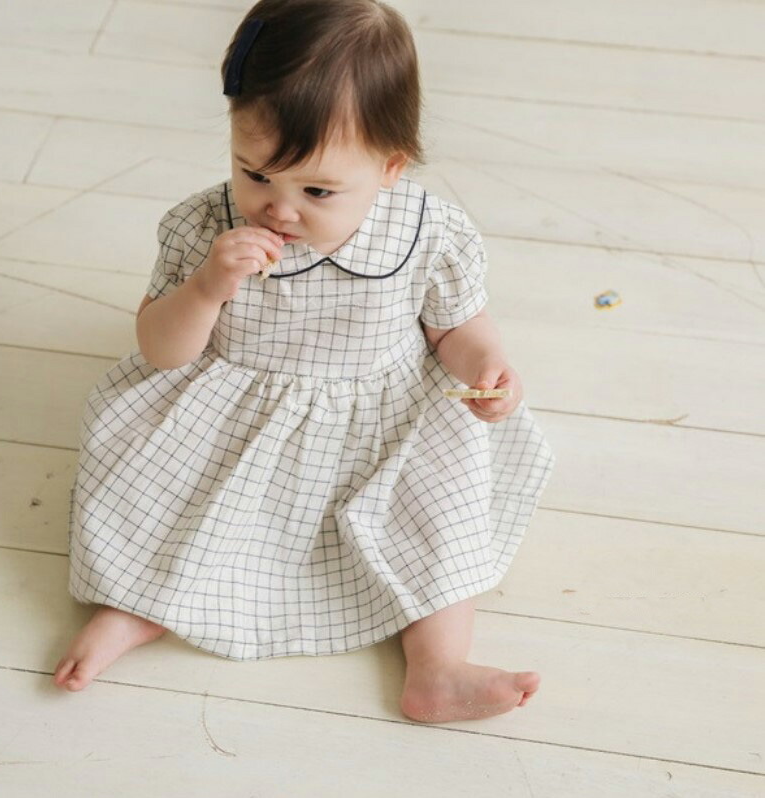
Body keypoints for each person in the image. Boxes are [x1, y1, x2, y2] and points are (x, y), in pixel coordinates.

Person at [54, 0, 555, 723]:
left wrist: (487, 368)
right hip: (232, 413)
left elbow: (456, 325)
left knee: (438, 513)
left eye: (316, 190)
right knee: (159, 498)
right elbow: (161, 350)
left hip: (384, 416)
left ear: (389, 167)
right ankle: (136, 607)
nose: (278, 210)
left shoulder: (427, 233)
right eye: (254, 173)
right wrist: (207, 288)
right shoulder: (203, 227)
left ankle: (437, 665)